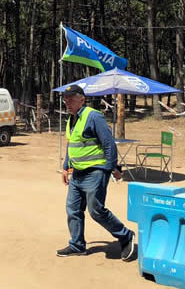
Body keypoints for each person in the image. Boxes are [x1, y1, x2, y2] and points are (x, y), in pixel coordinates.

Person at [57, 85, 135, 260]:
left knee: (96, 211)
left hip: (95, 173)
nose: (67, 102)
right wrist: (65, 166)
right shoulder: (72, 119)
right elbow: (72, 145)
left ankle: (125, 236)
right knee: (73, 210)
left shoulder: (93, 116)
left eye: (71, 98)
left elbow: (109, 144)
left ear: (82, 99)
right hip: (77, 174)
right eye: (65, 99)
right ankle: (77, 245)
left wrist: (109, 169)